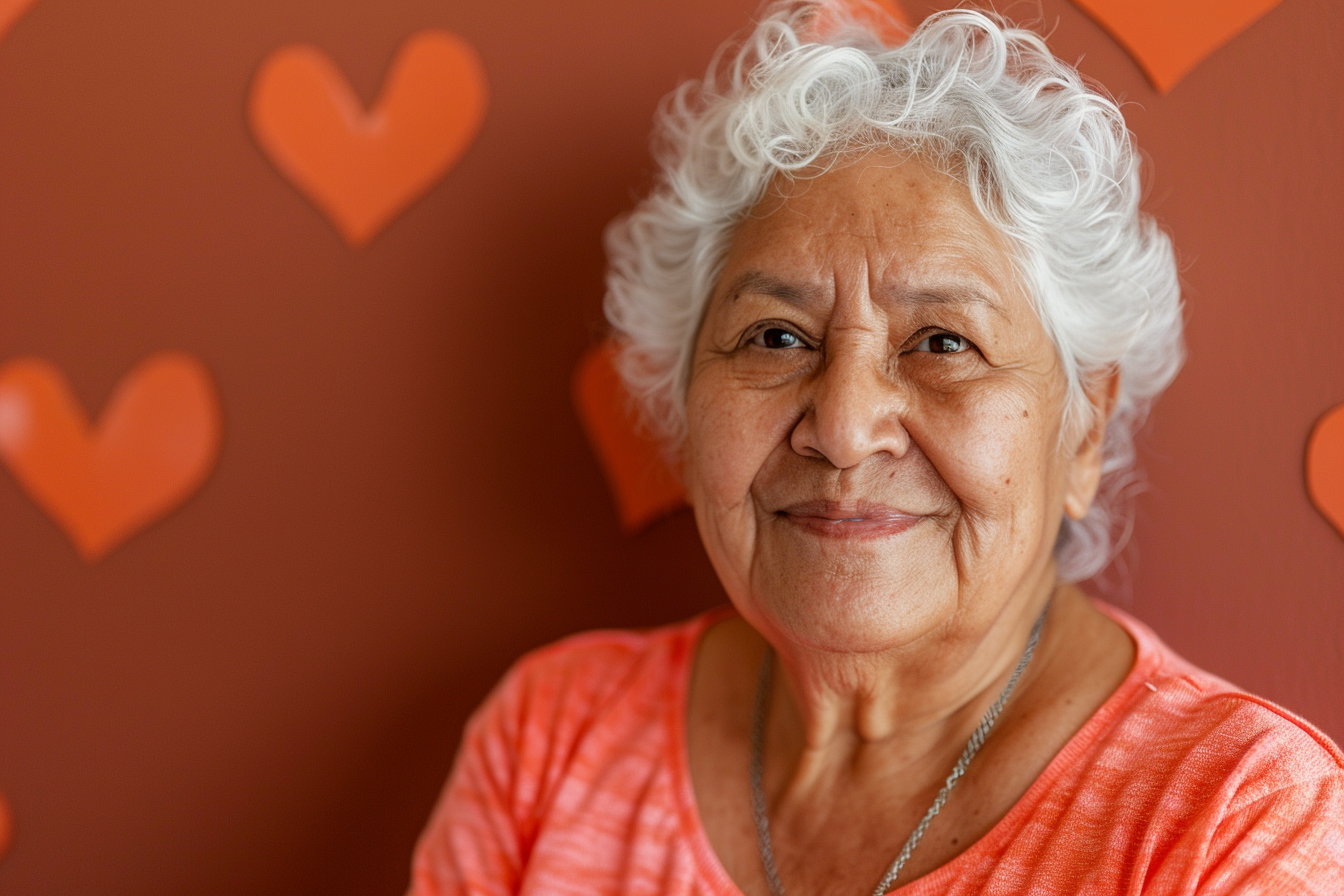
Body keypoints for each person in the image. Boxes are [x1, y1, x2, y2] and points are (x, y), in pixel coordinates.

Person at [405, 2, 1344, 893]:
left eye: (944, 343)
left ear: (1085, 427)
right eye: (775, 337)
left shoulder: (1237, 820)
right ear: (683, 404)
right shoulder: (552, 742)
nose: (846, 428)